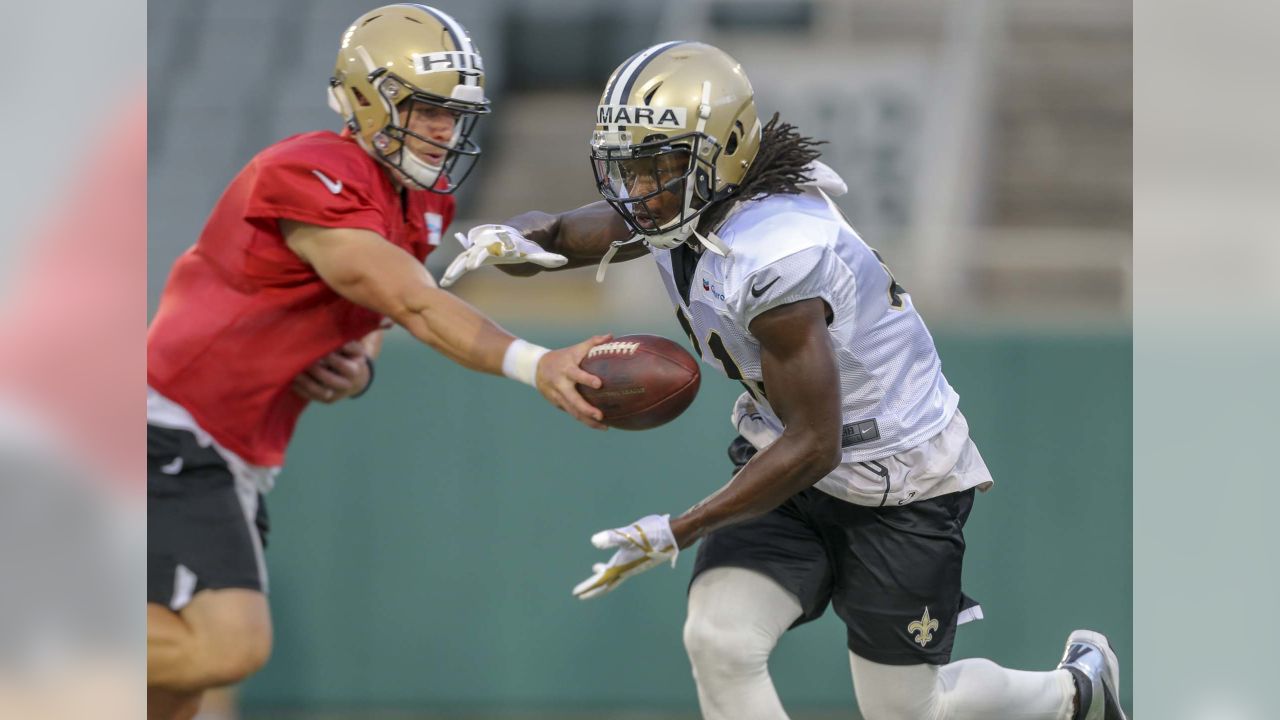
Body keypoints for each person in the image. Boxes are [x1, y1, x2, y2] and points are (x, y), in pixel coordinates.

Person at [442, 41, 1126, 720]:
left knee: (909, 710)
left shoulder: (776, 253)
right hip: (791, 457)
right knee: (718, 639)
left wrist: (680, 529)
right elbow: (567, 234)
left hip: (893, 474)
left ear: (723, 156)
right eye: (630, 167)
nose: (640, 190)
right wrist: (514, 239)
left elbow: (815, 445)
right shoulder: (690, 203)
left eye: (661, 165)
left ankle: (1076, 693)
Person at [146, 6, 609, 720]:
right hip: (168, 423)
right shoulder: (310, 169)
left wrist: (355, 368)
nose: (443, 130)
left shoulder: (422, 204)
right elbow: (414, 303)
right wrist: (535, 363)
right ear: (368, 96)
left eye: (454, 114)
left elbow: (369, 325)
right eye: (427, 108)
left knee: (171, 686)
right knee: (226, 648)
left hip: (232, 445)